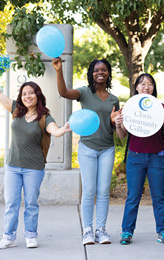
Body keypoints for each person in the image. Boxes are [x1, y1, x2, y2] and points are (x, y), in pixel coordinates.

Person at [52, 58, 120, 245]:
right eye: (96, 70)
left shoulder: (114, 99)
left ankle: (101, 230)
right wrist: (59, 70)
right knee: (89, 191)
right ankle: (88, 231)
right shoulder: (84, 93)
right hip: (88, 148)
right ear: (91, 73)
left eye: (104, 69)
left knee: (104, 191)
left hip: (107, 148)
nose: (100, 72)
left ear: (108, 73)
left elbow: (115, 126)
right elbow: (63, 92)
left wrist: (115, 122)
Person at [0, 82, 71, 249]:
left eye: (31, 93)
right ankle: (9, 236)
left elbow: (55, 131)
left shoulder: (45, 117)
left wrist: (64, 129)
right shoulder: (16, 109)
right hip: (12, 166)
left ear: (37, 95)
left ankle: (31, 235)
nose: (27, 96)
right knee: (11, 202)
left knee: (31, 202)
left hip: (33, 168)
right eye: (24, 94)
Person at [114, 73, 164, 245]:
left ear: (154, 88)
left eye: (149, 84)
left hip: (157, 157)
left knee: (158, 197)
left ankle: (163, 231)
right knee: (133, 196)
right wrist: (118, 124)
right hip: (135, 157)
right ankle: (127, 232)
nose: (146, 87)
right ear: (136, 88)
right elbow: (122, 136)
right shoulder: (130, 107)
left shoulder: (160, 107)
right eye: (142, 84)